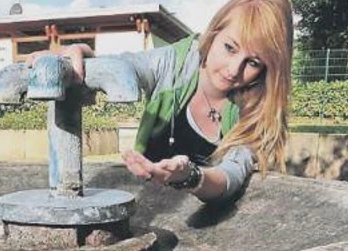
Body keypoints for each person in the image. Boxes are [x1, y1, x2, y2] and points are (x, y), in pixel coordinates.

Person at [27, 0, 293, 203]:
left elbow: (231, 175)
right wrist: (84, 57)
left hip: (203, 225)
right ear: (214, 34)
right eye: (230, 48)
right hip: (145, 206)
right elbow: (131, 66)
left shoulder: (256, 110)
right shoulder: (175, 64)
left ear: (268, 69)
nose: (234, 69)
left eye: (253, 62)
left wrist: (189, 176)